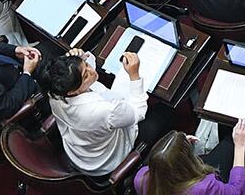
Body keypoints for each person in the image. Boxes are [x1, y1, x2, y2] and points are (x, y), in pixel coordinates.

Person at [40, 45, 162, 176]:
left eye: (86, 64)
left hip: (82, 153)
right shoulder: (103, 110)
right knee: (163, 113)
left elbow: (84, 69)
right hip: (106, 161)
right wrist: (134, 76)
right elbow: (137, 112)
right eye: (86, 75)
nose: (92, 71)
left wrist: (77, 60)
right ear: (73, 91)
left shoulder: (55, 93)